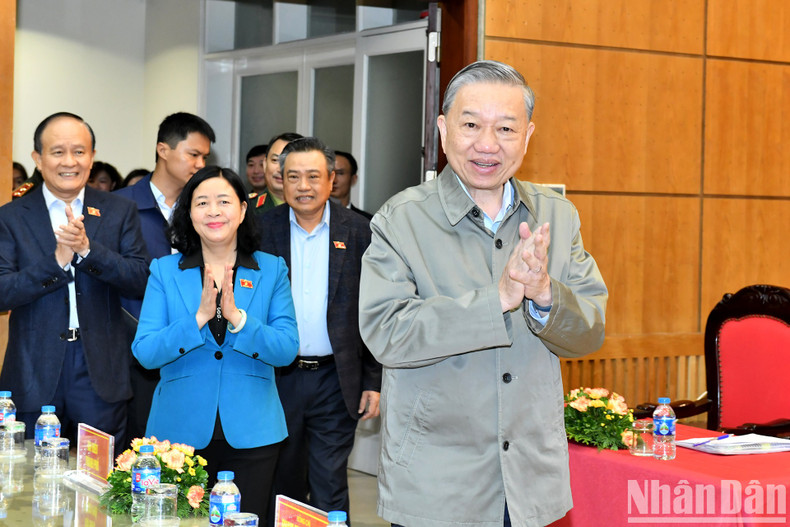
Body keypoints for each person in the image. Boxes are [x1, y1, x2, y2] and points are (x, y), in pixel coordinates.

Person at [358, 60, 608, 527]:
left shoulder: (558, 215)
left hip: (530, 481)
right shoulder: (401, 219)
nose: (487, 144)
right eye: (471, 125)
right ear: (443, 130)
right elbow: (386, 333)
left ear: (527, 136)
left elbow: (590, 332)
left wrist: (544, 293)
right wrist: (497, 299)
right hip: (437, 484)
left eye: (506, 128)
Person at [132, 166, 299, 522]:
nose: (213, 211)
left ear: (242, 210)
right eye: (202, 202)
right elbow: (145, 352)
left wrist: (239, 319)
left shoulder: (271, 270)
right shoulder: (165, 270)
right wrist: (197, 319)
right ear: (189, 213)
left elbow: (286, 349)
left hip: (253, 431)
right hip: (177, 435)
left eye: (224, 201)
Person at [0, 112, 150, 450]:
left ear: (92, 157)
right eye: (58, 152)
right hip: (33, 370)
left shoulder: (119, 210)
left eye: (79, 151)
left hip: (100, 371)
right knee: (31, 472)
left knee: (99, 474)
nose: (70, 161)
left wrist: (87, 250)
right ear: (38, 158)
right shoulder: (11, 216)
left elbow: (140, 279)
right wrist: (55, 263)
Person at [259, 137, 381, 518]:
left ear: (331, 179)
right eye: (293, 176)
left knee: (329, 485)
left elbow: (374, 310)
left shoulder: (361, 232)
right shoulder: (258, 230)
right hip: (276, 378)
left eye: (313, 176)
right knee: (282, 483)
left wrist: (373, 381)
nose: (303, 186)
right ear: (280, 180)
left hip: (335, 379)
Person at [115, 112, 216, 441]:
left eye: (205, 157)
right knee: (138, 445)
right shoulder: (120, 207)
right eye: (193, 154)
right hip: (133, 350)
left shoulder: (206, 209)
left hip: (194, 344)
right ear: (163, 150)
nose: (200, 164)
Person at [250, 132, 303, 216]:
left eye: (289, 161)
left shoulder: (317, 208)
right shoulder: (248, 208)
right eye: (275, 160)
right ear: (265, 164)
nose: (280, 169)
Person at [331, 151, 373, 219]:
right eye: (329, 173)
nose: (334, 180)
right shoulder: (312, 218)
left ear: (353, 179)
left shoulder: (366, 221)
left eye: (340, 173)